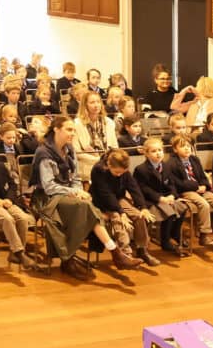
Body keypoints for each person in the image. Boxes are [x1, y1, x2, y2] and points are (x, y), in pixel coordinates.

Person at [28, 116, 141, 280]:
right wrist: (74, 192)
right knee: (86, 207)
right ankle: (115, 252)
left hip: (67, 195)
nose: (72, 133)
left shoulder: (70, 149)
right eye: (69, 129)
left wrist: (79, 191)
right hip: (46, 197)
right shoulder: (43, 152)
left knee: (85, 205)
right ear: (56, 129)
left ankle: (85, 257)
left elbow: (75, 178)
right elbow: (48, 186)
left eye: (73, 129)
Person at [89, 149, 160, 267]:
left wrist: (143, 207)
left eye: (123, 172)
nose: (120, 175)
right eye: (117, 172)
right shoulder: (98, 170)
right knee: (118, 218)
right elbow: (106, 194)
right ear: (109, 165)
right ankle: (125, 255)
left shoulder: (122, 168)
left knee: (138, 215)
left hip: (118, 198)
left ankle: (142, 250)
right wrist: (121, 212)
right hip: (101, 201)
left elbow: (133, 187)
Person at [167, 135, 213, 248]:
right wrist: (196, 187)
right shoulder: (172, 163)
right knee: (204, 205)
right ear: (175, 149)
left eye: (188, 146)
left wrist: (204, 185)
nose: (186, 149)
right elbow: (177, 183)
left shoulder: (194, 159)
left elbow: (202, 176)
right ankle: (204, 234)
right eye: (182, 146)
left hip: (201, 189)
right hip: (187, 191)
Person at [72, 91, 118, 179]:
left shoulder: (109, 122)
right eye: (92, 102)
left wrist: (109, 160)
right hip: (87, 168)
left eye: (98, 102)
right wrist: (99, 160)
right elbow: (76, 152)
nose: (96, 105)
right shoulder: (77, 124)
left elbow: (115, 147)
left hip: (108, 165)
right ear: (85, 105)